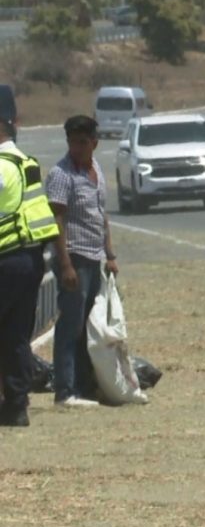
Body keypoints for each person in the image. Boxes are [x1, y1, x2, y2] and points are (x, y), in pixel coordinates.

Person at [45, 115, 118, 408]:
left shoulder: (96, 169)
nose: (77, 147)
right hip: (73, 256)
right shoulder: (61, 175)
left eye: (83, 142)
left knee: (90, 326)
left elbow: (102, 216)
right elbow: (57, 222)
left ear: (94, 143)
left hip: (94, 256)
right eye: (72, 142)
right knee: (70, 326)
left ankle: (85, 384)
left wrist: (110, 254)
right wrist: (65, 265)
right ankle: (65, 390)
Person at [0, 118, 60, 426]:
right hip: (30, 258)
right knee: (16, 335)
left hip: (7, 257)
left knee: (13, 336)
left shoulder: (2, 166)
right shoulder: (26, 162)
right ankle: (16, 406)